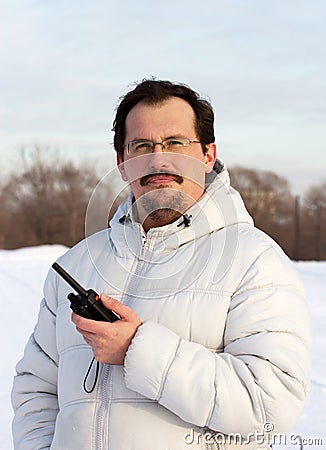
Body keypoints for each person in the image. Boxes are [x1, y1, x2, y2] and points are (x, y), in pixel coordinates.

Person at [11, 79, 311, 449]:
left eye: (175, 143)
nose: (158, 159)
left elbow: (270, 404)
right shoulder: (76, 264)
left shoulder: (254, 261)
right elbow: (35, 391)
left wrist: (138, 349)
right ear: (122, 163)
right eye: (142, 146)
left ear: (207, 154)